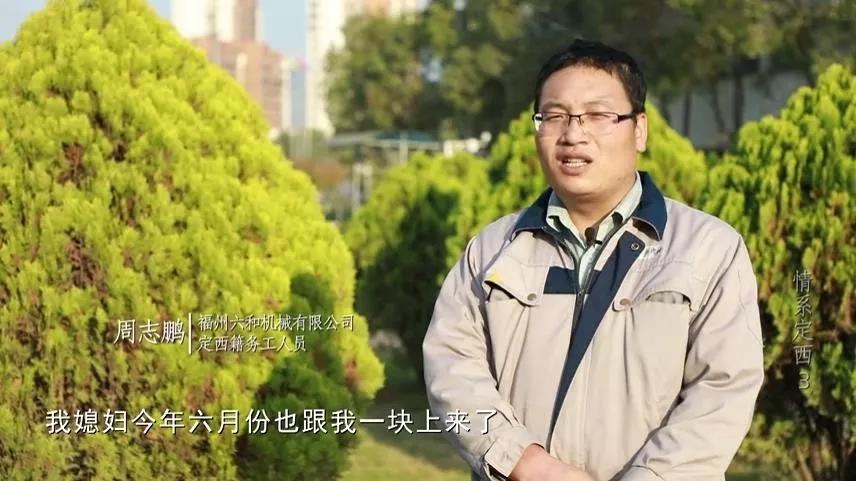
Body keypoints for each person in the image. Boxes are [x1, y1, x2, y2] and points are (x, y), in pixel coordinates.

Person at [422, 39, 765, 481]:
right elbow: (452, 367)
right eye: (555, 116)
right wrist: (524, 462)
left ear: (639, 129)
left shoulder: (708, 249)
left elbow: (723, 390)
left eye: (599, 115)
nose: (573, 134)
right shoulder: (492, 250)